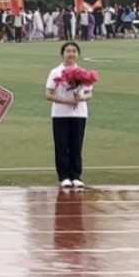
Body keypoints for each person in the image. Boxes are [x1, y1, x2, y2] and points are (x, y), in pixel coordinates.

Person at [46, 41, 92, 188]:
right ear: (63, 54)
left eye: (74, 51)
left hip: (79, 114)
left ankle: (76, 175)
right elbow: (48, 94)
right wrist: (66, 101)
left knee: (76, 145)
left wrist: (82, 98)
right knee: (61, 145)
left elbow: (89, 92)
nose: (71, 54)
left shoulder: (83, 73)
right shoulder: (55, 72)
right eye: (68, 51)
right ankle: (64, 176)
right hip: (60, 114)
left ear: (78, 54)